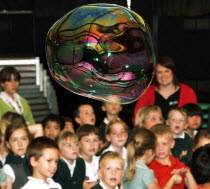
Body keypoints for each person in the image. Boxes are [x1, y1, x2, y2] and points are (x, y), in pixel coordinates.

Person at [133, 56, 198, 121]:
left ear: (173, 72)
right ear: (154, 74)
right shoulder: (146, 92)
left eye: (167, 71)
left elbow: (192, 119)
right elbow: (137, 118)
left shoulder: (188, 92)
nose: (163, 75)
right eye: (159, 72)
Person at [148, 124, 197, 189]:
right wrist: (172, 180)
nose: (160, 148)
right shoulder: (150, 168)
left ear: (172, 144)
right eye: (156, 144)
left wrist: (187, 173)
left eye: (164, 144)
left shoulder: (178, 163)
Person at [3, 123, 31, 189]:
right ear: (8, 144)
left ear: (29, 141)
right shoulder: (6, 168)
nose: (20, 144)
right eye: (14, 140)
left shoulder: (36, 160)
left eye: (24, 139)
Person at [76, 124, 100, 188]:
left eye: (95, 140)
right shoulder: (76, 163)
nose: (92, 144)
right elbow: (86, 187)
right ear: (78, 143)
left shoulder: (101, 161)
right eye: (87, 140)